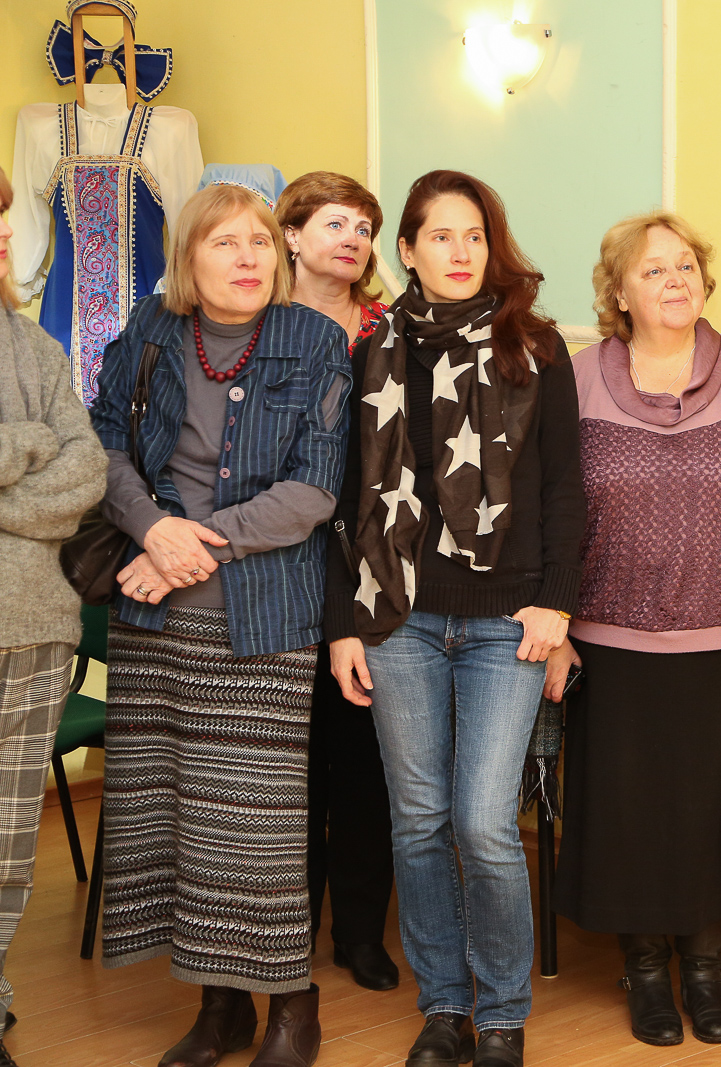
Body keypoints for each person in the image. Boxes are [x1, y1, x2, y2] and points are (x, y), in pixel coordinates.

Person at [324, 170, 582, 1067]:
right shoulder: (373, 348)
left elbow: (565, 488)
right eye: (441, 236)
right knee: (419, 819)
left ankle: (502, 1012)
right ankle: (443, 1006)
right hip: (397, 619)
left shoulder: (536, 348)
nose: (461, 251)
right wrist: (344, 623)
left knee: (482, 822)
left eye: (474, 235)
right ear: (407, 250)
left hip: (509, 620)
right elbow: (346, 498)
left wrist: (557, 602)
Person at [91, 183, 351, 1067]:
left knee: (255, 829)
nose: (248, 258)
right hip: (154, 620)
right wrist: (150, 527)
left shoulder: (314, 340)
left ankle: (293, 1005)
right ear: (187, 258)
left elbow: (314, 489)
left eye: (260, 242)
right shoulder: (151, 330)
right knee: (181, 821)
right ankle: (221, 1008)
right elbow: (104, 444)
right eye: (224, 242)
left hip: (263, 620)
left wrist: (188, 546)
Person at [548, 212, 721, 1047]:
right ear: (619, 291)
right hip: (611, 643)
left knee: (711, 810)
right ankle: (646, 970)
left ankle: (704, 967)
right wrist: (555, 626)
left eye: (686, 265)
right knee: (629, 811)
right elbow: (549, 510)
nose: (674, 280)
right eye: (653, 269)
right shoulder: (578, 378)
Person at [275, 171, 398, 991]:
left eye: (364, 227)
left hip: (371, 567)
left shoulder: (390, 333)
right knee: (291, 771)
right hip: (282, 565)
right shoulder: (256, 324)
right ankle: (287, 935)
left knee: (364, 764)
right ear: (290, 235)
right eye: (333, 222)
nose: (352, 238)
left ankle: (359, 932)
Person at [0, 164, 107, 1067]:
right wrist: (28, 444)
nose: (6, 233)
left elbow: (86, 473)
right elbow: (51, 459)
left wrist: (29, 465)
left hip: (36, 625)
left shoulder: (35, 348)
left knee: (6, 845)